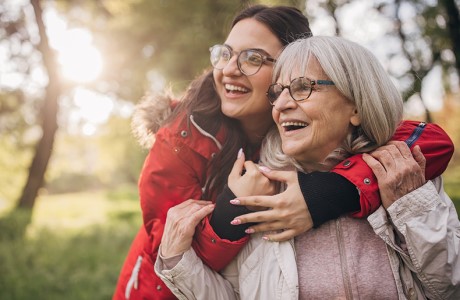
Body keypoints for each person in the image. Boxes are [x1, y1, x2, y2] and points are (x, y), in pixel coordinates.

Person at [114, 5, 454, 299]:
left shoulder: (341, 147)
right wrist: (235, 206)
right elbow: (176, 254)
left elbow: (431, 141)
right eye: (226, 54)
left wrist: (330, 193)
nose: (230, 68)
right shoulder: (184, 139)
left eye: (252, 58)